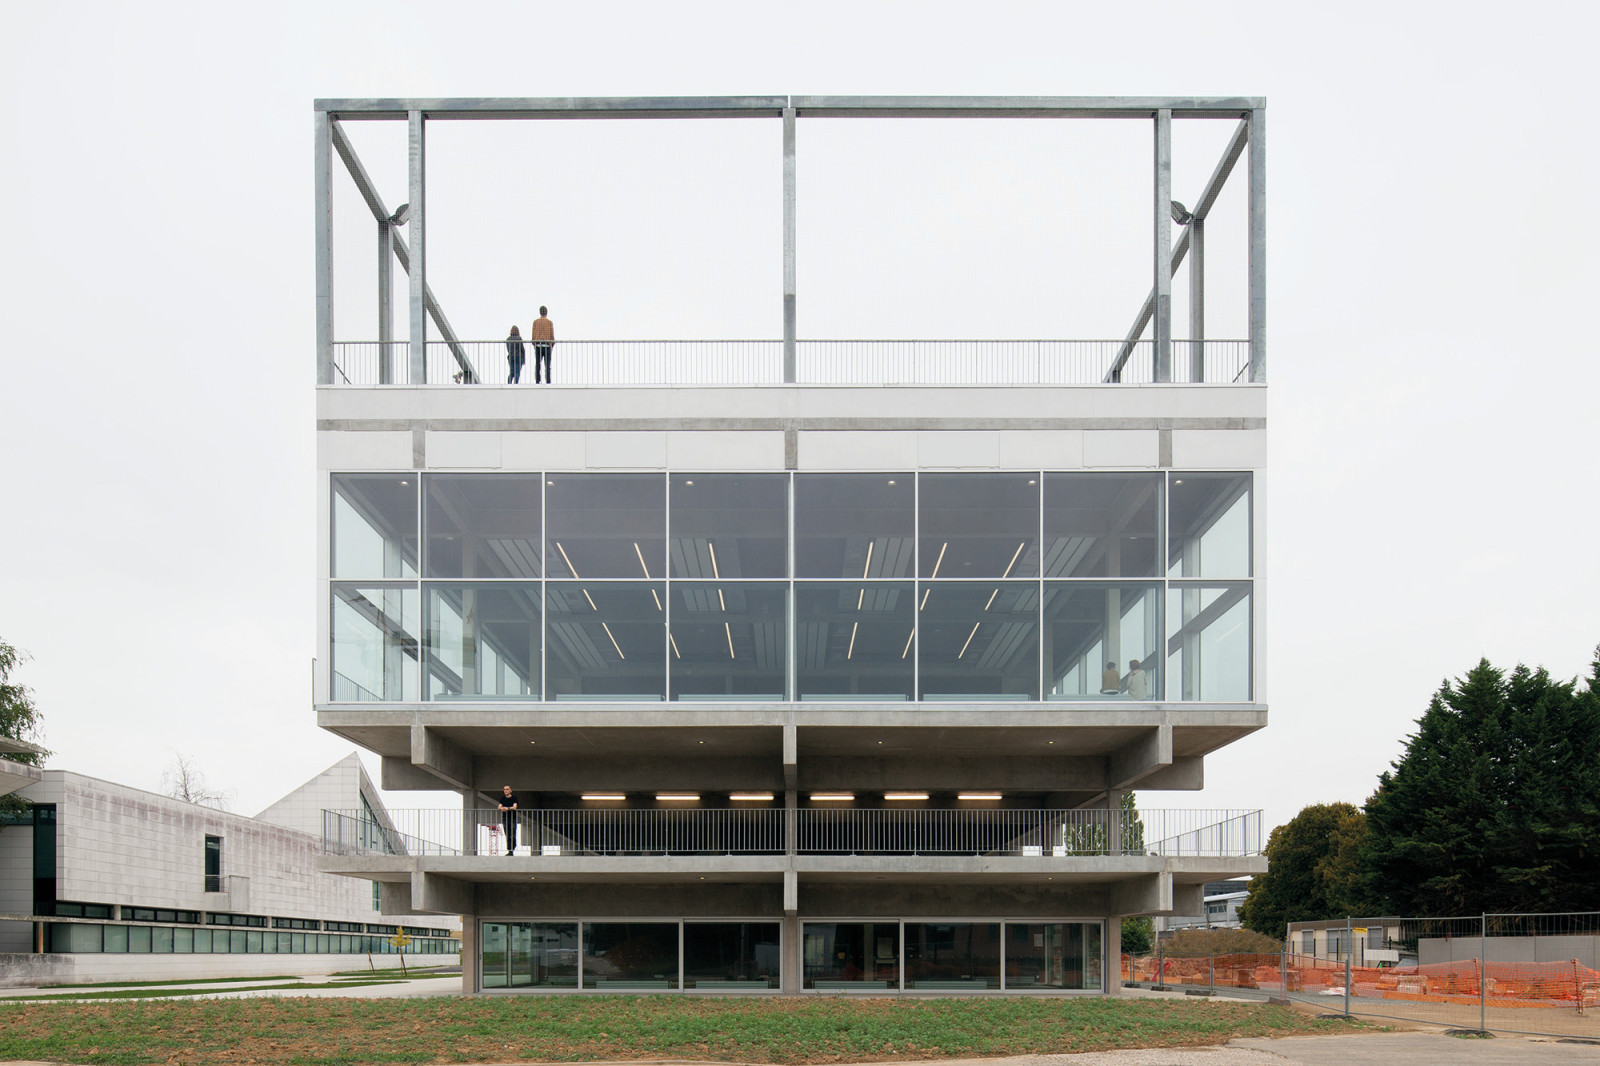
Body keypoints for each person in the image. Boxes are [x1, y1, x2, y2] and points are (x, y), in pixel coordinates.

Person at [530, 306, 555, 384]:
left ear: (540, 312)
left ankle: (537, 380)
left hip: (538, 345)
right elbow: (552, 336)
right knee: (547, 365)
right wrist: (551, 345)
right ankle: (548, 380)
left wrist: (534, 344)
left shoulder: (535, 322)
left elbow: (533, 336)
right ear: (546, 313)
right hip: (547, 346)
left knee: (537, 364)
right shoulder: (550, 322)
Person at [497, 784, 519, 856]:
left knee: (512, 834)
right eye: (504, 789)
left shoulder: (514, 798)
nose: (505, 791)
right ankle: (510, 850)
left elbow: (514, 807)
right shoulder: (502, 798)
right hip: (505, 818)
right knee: (507, 834)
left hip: (512, 818)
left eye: (507, 789)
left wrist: (507, 808)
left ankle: (513, 848)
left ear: (510, 790)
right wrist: (502, 808)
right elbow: (499, 807)